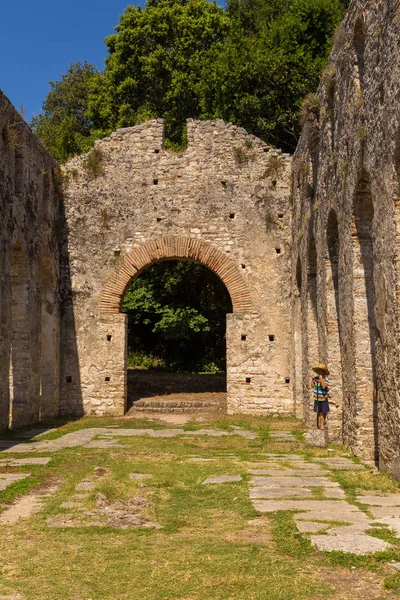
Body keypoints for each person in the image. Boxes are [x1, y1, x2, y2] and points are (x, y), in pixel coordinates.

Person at [312, 363, 330, 430]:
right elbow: (312, 386)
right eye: (318, 371)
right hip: (317, 398)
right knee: (318, 412)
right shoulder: (316, 378)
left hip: (323, 398)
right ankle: (319, 425)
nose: (319, 372)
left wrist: (321, 379)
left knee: (323, 412)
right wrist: (312, 380)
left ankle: (322, 425)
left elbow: (324, 386)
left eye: (321, 371)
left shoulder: (325, 379)